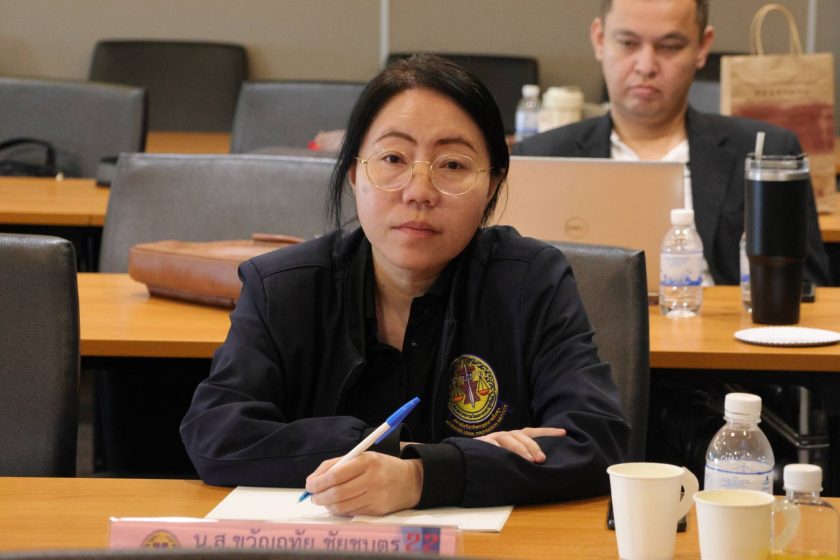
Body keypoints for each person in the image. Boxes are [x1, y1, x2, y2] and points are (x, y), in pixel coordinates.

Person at [180, 54, 629, 515]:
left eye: (453, 165)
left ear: (493, 183)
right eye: (393, 158)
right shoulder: (281, 287)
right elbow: (215, 434)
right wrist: (400, 451)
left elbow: (596, 440)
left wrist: (419, 477)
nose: (419, 192)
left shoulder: (530, 281)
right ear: (354, 172)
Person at [514, 0, 831, 286]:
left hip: (720, 328)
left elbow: (810, 288)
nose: (645, 66)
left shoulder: (767, 153)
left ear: (702, 46)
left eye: (669, 46)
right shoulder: (540, 158)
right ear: (599, 39)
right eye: (627, 43)